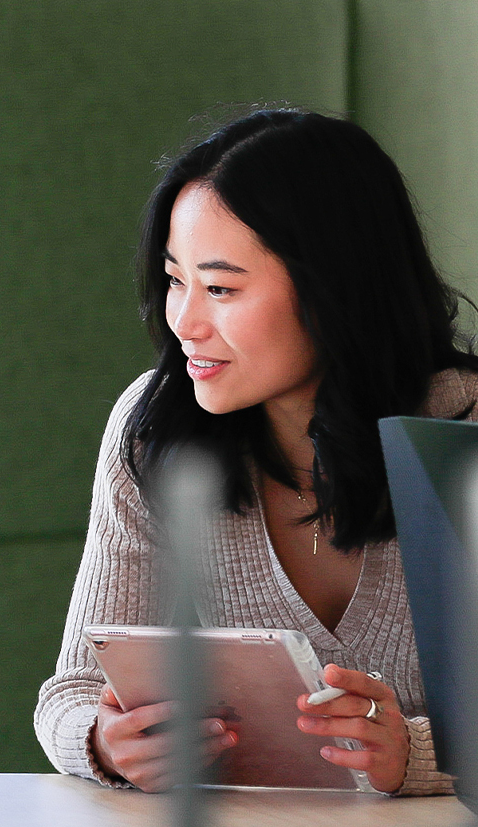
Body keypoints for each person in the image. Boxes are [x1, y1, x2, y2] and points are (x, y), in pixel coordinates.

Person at [33, 108, 478, 796]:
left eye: (221, 288)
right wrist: (103, 739)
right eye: (175, 279)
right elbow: (73, 691)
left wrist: (413, 753)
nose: (182, 321)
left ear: (335, 289)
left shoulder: (464, 432)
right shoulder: (153, 429)